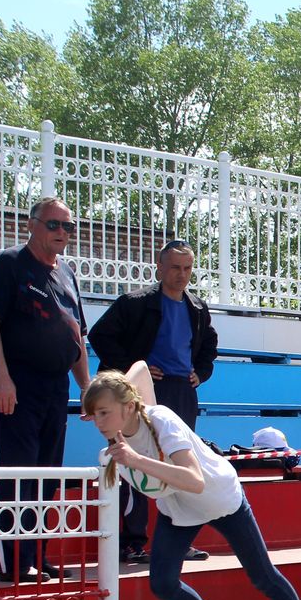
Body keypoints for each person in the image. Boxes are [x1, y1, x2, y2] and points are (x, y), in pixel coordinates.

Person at [84, 364, 301, 600]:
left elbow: (195, 480)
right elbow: (138, 374)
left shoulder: (160, 420)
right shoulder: (113, 450)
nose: (98, 422)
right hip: (179, 511)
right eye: (93, 415)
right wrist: (105, 405)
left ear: (128, 406)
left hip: (219, 499)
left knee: (263, 577)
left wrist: (136, 458)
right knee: (162, 584)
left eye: (104, 413)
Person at [0, 196, 93, 583]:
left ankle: (36, 555)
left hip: (56, 388)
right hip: (17, 383)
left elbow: (77, 335)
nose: (62, 232)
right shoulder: (8, 264)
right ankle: (14, 563)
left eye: (68, 226)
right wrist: (2, 377)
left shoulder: (68, 273)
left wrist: (87, 387)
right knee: (15, 475)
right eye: (53, 224)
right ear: (31, 225)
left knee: (46, 475)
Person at [88, 239, 220, 564]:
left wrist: (201, 373)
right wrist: (136, 366)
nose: (181, 274)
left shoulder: (197, 308)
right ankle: (132, 543)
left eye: (187, 268)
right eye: (174, 267)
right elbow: (100, 335)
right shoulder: (135, 303)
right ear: (159, 268)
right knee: (135, 462)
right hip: (143, 393)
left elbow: (209, 346)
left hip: (181, 392)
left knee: (180, 466)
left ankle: (177, 540)